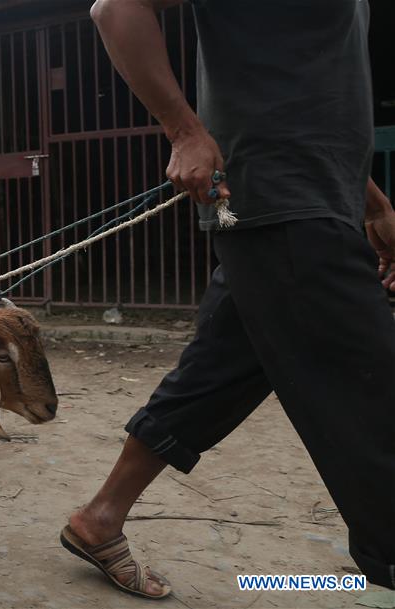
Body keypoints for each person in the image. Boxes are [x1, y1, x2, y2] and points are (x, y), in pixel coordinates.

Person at [59, 0, 395, 599]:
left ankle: (100, 518)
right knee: (375, 400)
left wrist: (372, 202)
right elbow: (116, 9)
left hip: (308, 199)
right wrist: (185, 129)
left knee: (218, 374)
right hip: (282, 207)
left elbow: (308, 95)